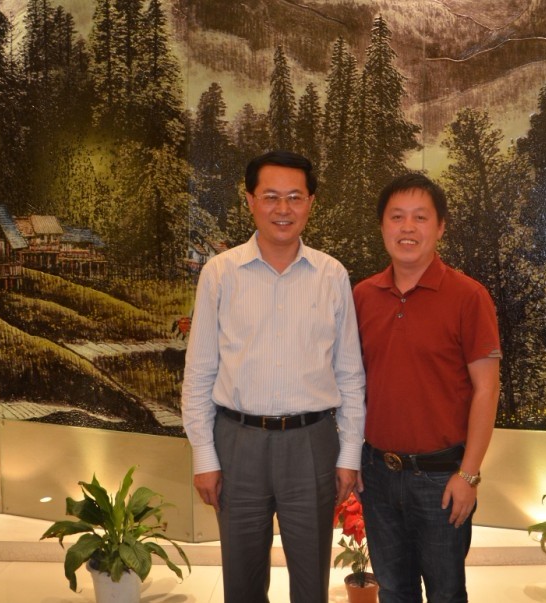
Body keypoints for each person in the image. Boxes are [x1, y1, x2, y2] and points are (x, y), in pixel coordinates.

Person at [181, 150, 365, 603]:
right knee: (242, 581)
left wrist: (349, 453)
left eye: (295, 197)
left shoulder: (331, 275)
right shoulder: (220, 274)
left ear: (310, 203)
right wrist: (204, 456)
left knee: (311, 583)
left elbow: (350, 374)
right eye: (270, 196)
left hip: (312, 444)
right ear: (250, 200)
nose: (283, 209)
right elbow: (199, 372)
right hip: (237, 443)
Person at [353, 173, 501, 603]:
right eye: (397, 217)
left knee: (446, 592)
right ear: (382, 226)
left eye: (420, 217)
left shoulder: (468, 296)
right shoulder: (362, 296)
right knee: (393, 591)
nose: (408, 227)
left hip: (441, 479)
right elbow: (350, 385)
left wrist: (468, 475)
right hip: (377, 475)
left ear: (440, 227)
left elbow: (487, 389)